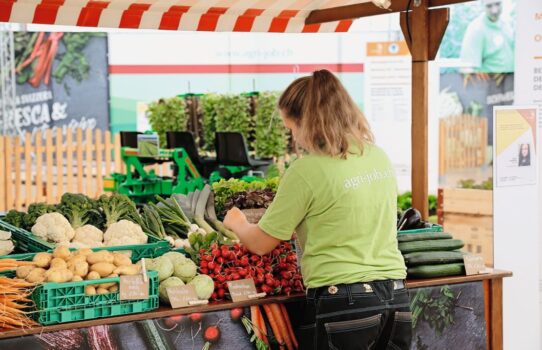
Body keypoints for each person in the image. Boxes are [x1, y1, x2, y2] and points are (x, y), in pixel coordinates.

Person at [224, 70, 411, 350]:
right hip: (396, 298)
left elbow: (261, 243)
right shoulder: (377, 156)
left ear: (307, 122)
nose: (293, 135)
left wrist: (238, 223)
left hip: (343, 303)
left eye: (292, 127)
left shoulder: (306, 170)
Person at [460, 0, 515, 73]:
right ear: (482, 5)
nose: (494, 10)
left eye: (498, 4)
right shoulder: (476, 29)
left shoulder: (507, 24)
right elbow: (467, 67)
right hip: (490, 83)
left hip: (511, 81)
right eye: (489, 6)